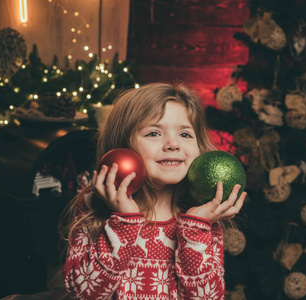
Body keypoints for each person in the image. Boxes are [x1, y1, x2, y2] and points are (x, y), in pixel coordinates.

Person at [61, 83, 246, 299]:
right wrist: (123, 222)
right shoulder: (95, 200)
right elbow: (82, 292)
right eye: (153, 133)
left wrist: (196, 229)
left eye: (185, 135)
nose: (172, 144)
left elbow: (207, 297)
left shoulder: (204, 214)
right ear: (123, 146)